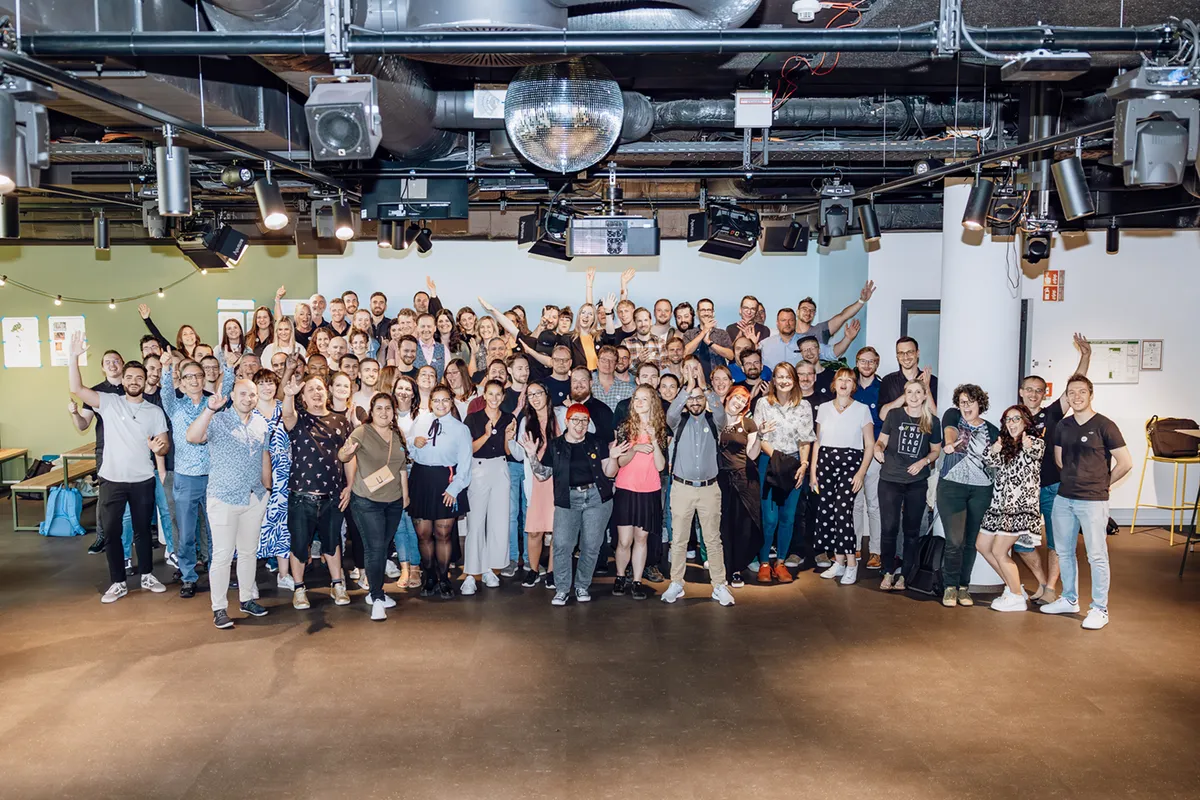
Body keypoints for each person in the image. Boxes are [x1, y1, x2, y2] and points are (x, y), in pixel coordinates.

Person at [67, 332, 171, 603]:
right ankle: (118, 582)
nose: (134, 381)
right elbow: (77, 390)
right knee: (112, 532)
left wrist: (159, 448)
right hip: (112, 479)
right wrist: (72, 357)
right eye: (130, 377)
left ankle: (147, 575)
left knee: (142, 532)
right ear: (122, 380)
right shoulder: (109, 402)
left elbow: (165, 445)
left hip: (143, 480)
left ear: (145, 380)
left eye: (139, 377)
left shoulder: (154, 411)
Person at [1041, 375, 1131, 630]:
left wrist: (1104, 483)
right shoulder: (1063, 425)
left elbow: (1126, 463)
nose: (1076, 396)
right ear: (1067, 396)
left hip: (1093, 501)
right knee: (1065, 552)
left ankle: (1099, 609)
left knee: (1097, 555)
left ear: (1091, 395)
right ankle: (1069, 599)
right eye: (1071, 392)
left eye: (1082, 392)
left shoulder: (1105, 425)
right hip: (1064, 498)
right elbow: (1060, 460)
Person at [185, 380, 271, 628]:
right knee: (222, 556)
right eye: (243, 393)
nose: (248, 398)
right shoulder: (218, 419)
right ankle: (219, 608)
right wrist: (210, 409)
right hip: (223, 498)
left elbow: (264, 457)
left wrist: (267, 489)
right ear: (232, 395)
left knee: (248, 553)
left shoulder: (260, 422)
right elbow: (193, 436)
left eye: (252, 394)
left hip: (254, 498)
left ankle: (246, 599)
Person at [523, 404, 625, 606]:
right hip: (567, 499)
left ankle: (582, 586)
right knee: (561, 545)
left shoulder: (597, 442)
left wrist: (614, 458)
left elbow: (609, 473)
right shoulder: (555, 445)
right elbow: (542, 475)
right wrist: (532, 455)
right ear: (567, 422)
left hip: (597, 498)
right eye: (575, 420)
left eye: (584, 420)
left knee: (591, 546)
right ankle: (561, 589)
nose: (580, 425)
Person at [1018, 333, 1093, 604]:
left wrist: (1085, 357)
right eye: (1029, 389)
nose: (1034, 394)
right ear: (1021, 392)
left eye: (1039, 390)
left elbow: (1072, 388)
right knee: (1020, 542)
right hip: (1022, 491)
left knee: (1056, 541)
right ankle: (1040, 582)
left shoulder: (1051, 414)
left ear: (1044, 393)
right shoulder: (1012, 417)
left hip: (1051, 485)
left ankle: (1050, 587)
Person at [159, 347, 236, 597]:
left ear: (204, 378)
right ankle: (189, 576)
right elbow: (165, 390)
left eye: (198, 375)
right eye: (188, 376)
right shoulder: (175, 405)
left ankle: (217, 572)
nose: (194, 380)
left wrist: (230, 366)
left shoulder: (212, 403)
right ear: (181, 381)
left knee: (215, 530)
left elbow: (225, 389)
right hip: (185, 477)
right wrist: (166, 367)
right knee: (187, 532)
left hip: (214, 476)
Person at [281, 374, 355, 610]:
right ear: (303, 396)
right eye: (310, 389)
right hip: (301, 495)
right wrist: (289, 395)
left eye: (320, 388)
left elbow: (349, 456)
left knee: (332, 543)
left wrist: (350, 486)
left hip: (332, 495)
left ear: (328, 392)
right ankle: (299, 589)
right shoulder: (298, 418)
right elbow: (287, 415)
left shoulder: (341, 421)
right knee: (299, 544)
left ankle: (337, 583)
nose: (316, 393)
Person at [661, 375, 736, 606]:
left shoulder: (715, 422)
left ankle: (719, 585)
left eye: (699, 399)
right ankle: (676, 583)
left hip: (709, 489)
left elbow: (721, 413)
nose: (695, 402)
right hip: (681, 488)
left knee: (713, 539)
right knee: (680, 540)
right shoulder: (678, 421)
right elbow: (671, 413)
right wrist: (687, 389)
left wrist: (705, 389)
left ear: (705, 400)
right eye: (691, 399)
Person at [339, 392, 410, 621]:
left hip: (394, 502)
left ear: (393, 411)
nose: (383, 412)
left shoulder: (397, 434)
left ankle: (375, 592)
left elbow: (401, 468)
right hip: (367, 501)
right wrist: (346, 453)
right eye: (379, 408)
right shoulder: (362, 432)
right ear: (372, 411)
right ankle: (377, 596)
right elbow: (343, 454)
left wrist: (405, 496)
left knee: (383, 547)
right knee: (376, 548)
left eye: (388, 408)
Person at [873, 380, 942, 591]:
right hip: (890, 480)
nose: (913, 396)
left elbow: (935, 451)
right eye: (909, 392)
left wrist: (923, 462)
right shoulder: (894, 415)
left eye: (918, 392)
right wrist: (878, 448)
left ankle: (905, 575)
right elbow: (881, 440)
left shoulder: (933, 421)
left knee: (912, 531)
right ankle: (887, 572)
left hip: (916, 482)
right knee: (889, 528)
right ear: (905, 394)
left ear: (924, 396)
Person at [976, 404, 1044, 612]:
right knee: (982, 546)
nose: (1012, 423)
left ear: (1025, 421)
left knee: (999, 550)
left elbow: (1036, 453)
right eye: (1008, 419)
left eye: (1016, 419)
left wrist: (1027, 445)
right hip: (998, 506)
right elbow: (988, 461)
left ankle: (1015, 597)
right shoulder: (1004, 445)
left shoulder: (1035, 442)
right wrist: (994, 449)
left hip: (1019, 509)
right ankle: (1015, 587)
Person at [937, 384, 999, 608]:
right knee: (955, 541)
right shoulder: (953, 416)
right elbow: (949, 431)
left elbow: (998, 459)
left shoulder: (992, 430)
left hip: (981, 489)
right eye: (962, 402)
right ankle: (949, 586)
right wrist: (950, 443)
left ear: (980, 404)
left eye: (970, 402)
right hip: (952, 487)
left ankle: (964, 586)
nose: (965, 407)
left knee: (971, 542)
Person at [753, 362, 816, 584]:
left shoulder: (804, 407)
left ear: (794, 380)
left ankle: (780, 563)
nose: (784, 381)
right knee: (769, 519)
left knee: (788, 518)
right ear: (774, 380)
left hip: (795, 465)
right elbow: (760, 439)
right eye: (779, 377)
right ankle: (763, 563)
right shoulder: (763, 403)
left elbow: (805, 439)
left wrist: (804, 464)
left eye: (788, 377)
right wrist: (780, 460)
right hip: (769, 462)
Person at [810, 368, 874, 585]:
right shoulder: (825, 408)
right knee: (827, 510)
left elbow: (870, 445)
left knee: (842, 511)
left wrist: (861, 472)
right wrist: (813, 473)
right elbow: (817, 441)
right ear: (834, 384)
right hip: (825, 462)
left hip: (851, 463)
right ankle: (838, 562)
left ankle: (851, 564)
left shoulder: (862, 409)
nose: (844, 383)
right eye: (841, 380)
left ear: (853, 385)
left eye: (849, 380)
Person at [409, 385, 473, 599]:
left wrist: (454, 488)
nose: (441, 404)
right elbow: (407, 448)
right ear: (430, 402)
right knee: (423, 534)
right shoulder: (420, 421)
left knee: (443, 533)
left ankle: (444, 578)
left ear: (451, 402)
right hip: (421, 480)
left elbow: (465, 464)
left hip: (446, 481)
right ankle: (429, 577)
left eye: (445, 400)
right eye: (436, 400)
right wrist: (413, 444)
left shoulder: (460, 428)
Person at [611, 385, 668, 600]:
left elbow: (661, 466)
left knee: (641, 538)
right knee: (624, 540)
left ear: (652, 402)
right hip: (627, 488)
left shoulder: (660, 429)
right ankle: (619, 576)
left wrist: (653, 440)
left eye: (644, 399)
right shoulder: (626, 428)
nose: (640, 402)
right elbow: (620, 461)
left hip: (649, 489)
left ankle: (636, 581)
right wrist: (634, 449)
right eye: (637, 399)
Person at [461, 381, 515, 595]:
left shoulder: (509, 418)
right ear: (484, 395)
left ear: (503, 397)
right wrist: (486, 434)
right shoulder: (473, 419)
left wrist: (509, 439)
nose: (494, 398)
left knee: (498, 522)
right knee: (475, 523)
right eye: (490, 394)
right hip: (478, 470)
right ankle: (471, 574)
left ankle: (490, 570)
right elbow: (469, 449)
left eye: (498, 394)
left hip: (500, 468)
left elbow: (508, 452)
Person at [510, 381, 559, 589]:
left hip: (558, 482)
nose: (536, 398)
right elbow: (519, 453)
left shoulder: (561, 416)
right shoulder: (526, 423)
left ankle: (552, 572)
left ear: (547, 394)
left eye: (539, 393)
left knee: (557, 530)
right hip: (536, 482)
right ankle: (533, 569)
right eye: (531, 395)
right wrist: (510, 439)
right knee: (535, 530)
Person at [254, 366, 296, 590]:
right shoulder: (249, 411)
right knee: (255, 524)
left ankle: (283, 574)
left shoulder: (282, 407)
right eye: (261, 383)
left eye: (270, 382)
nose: (267, 387)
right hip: (257, 474)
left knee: (283, 523)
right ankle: (249, 579)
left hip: (284, 473)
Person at [853, 346, 885, 571]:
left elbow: (887, 423)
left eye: (870, 361)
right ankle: (854, 547)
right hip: (852, 452)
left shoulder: (882, 389)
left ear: (877, 363)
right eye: (862, 361)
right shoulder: (849, 387)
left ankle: (876, 550)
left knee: (874, 503)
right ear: (857, 362)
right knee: (855, 503)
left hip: (873, 452)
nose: (866, 365)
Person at [879, 337, 939, 417]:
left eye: (910, 352)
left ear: (917, 353)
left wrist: (926, 388)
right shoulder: (888, 381)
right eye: (901, 353)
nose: (906, 357)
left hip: (923, 429)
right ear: (897, 356)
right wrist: (908, 393)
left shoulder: (932, 381)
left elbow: (936, 416)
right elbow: (882, 416)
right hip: (896, 429)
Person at [591, 345, 635, 411]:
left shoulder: (627, 389)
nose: (607, 364)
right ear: (597, 362)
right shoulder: (588, 386)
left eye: (611, 361)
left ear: (616, 365)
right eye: (603, 360)